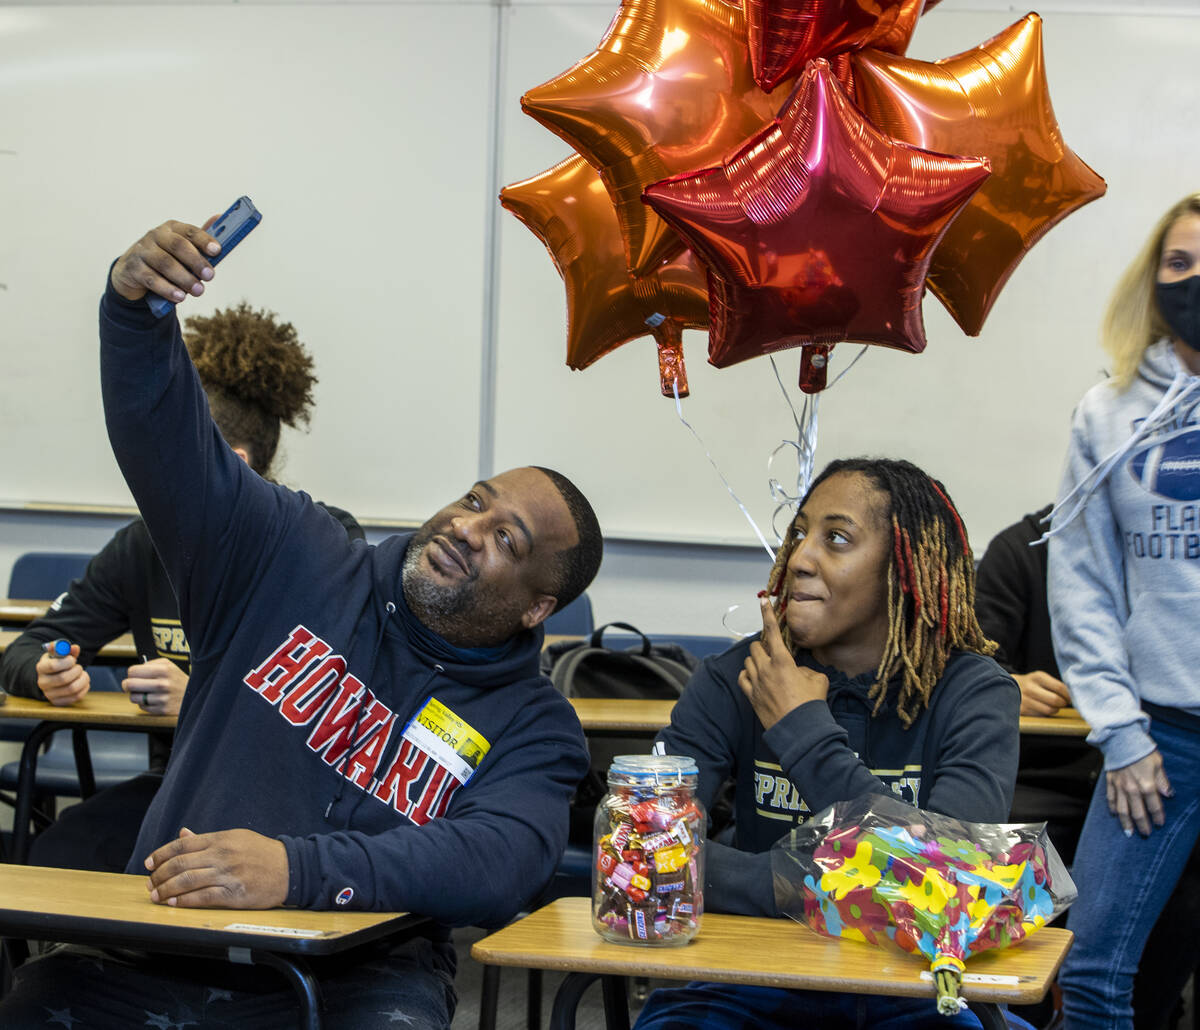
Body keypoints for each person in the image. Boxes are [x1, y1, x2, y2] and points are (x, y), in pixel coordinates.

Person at [0, 214, 603, 1030]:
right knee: (38, 1001)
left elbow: (498, 862)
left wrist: (299, 870)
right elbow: (172, 450)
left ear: (538, 606)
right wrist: (134, 314)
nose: (467, 528)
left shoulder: (536, 726)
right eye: (474, 501)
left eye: (507, 539)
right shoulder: (295, 552)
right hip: (166, 942)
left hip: (354, 976)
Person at [635, 456, 1023, 1030]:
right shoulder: (738, 675)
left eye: (835, 538)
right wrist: (838, 890)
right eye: (797, 534)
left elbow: (945, 885)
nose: (798, 559)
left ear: (904, 567)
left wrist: (800, 727)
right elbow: (641, 844)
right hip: (751, 979)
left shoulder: (975, 692)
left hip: (911, 991)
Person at [0, 302, 365, 873]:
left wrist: (197, 693)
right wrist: (46, 671)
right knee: (60, 853)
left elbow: (344, 698)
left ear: (233, 463)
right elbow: (30, 647)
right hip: (177, 789)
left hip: (290, 802)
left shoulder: (327, 540)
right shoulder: (140, 547)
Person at [1048, 192, 1200, 1030]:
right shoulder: (1107, 415)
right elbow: (1083, 587)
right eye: (1179, 264)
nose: (1194, 281)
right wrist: (1119, 729)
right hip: (1158, 740)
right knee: (1094, 971)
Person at [973, 504, 1100, 864]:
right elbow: (969, 662)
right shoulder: (1020, 550)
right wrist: (1005, 686)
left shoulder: (1164, 559)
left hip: (1144, 770)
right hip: (1035, 777)